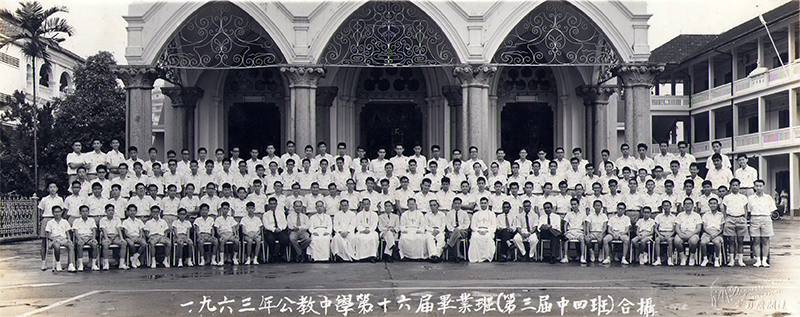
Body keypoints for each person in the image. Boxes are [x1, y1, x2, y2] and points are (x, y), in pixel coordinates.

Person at [749, 180, 777, 267]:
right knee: (756, 240)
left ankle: (764, 260)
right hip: (755, 218)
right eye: (756, 186)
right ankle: (757, 260)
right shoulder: (751, 198)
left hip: (765, 218)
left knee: (765, 240)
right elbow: (749, 210)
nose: (758, 188)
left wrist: (766, 218)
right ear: (754, 187)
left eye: (760, 186)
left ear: (763, 187)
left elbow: (772, 210)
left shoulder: (768, 197)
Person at [721, 179, 748, 267]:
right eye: (733, 185)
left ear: (739, 186)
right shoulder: (727, 197)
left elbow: (745, 209)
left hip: (740, 219)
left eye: (736, 185)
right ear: (730, 186)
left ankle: (740, 260)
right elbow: (724, 209)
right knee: (731, 241)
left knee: (740, 240)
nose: (735, 187)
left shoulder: (743, 197)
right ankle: (731, 260)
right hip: (730, 219)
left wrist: (744, 218)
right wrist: (726, 219)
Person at [38, 182, 64, 270]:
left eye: (54, 187)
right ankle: (44, 262)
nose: (52, 189)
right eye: (50, 187)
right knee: (44, 242)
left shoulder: (59, 199)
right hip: (46, 219)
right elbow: (40, 211)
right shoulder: (44, 199)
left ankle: (57, 262)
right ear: (48, 189)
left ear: (57, 189)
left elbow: (62, 210)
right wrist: (42, 220)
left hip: (56, 219)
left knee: (57, 240)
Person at [46, 206, 76, 272]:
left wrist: (69, 240)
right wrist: (54, 240)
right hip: (55, 239)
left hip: (63, 239)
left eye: (58, 212)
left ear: (61, 212)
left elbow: (67, 232)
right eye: (55, 212)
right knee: (57, 246)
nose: (57, 214)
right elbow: (48, 235)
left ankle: (71, 264)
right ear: (52, 213)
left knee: (71, 246)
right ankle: (58, 263)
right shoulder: (50, 222)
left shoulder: (65, 222)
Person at [674, 198, 702, 266]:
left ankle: (691, 257)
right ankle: (683, 257)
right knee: (676, 241)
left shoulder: (697, 215)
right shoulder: (680, 215)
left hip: (693, 233)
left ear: (692, 205)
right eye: (686, 204)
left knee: (693, 241)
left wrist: (691, 234)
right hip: (682, 233)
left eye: (689, 204)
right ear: (683, 205)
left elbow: (698, 228)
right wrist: (680, 234)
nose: (688, 205)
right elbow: (677, 227)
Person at [469, 197, 497, 263]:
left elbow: (494, 226)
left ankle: (486, 257)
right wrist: (479, 230)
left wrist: (486, 231)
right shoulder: (475, 214)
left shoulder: (492, 214)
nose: (483, 205)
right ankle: (475, 257)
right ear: (480, 204)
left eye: (485, 203)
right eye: (482, 203)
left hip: (488, 231)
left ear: (487, 204)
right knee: (474, 238)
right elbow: (472, 226)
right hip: (478, 231)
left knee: (487, 238)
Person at [72, 205, 99, 271]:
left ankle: (93, 264)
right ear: (80, 212)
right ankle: (80, 264)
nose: (85, 213)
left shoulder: (91, 220)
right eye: (83, 211)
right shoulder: (76, 221)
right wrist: (79, 239)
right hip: (80, 237)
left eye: (86, 211)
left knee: (94, 244)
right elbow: (75, 231)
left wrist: (93, 238)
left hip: (89, 237)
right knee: (80, 245)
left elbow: (94, 230)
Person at [262, 197, 289, 262]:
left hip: (280, 230)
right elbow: (266, 225)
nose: (273, 205)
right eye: (271, 204)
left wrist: (280, 228)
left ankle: (281, 253)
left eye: (274, 204)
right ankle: (272, 254)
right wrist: (274, 229)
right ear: (268, 205)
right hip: (271, 231)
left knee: (285, 239)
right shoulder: (266, 214)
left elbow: (284, 222)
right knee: (270, 239)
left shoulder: (281, 213)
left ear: (276, 204)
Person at [700, 198, 725, 267]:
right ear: (708, 205)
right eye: (711, 204)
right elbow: (704, 227)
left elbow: (722, 228)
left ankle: (716, 259)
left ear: (717, 205)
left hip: (717, 233)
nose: (713, 205)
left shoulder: (721, 215)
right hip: (707, 232)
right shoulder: (706, 214)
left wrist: (716, 234)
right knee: (703, 242)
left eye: (714, 203)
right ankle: (705, 259)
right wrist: (710, 233)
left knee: (717, 242)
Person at [354, 198, 380, 262]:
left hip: (371, 231)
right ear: (362, 205)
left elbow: (374, 224)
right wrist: (363, 230)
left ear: (370, 204)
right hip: (362, 231)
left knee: (373, 238)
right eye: (365, 204)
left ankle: (372, 256)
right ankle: (361, 256)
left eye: (367, 204)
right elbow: (358, 224)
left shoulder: (374, 214)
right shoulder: (359, 214)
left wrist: (369, 230)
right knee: (359, 238)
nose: (366, 206)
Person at [653, 200, 677, 266]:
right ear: (662, 207)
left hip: (670, 233)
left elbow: (675, 229)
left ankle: (669, 259)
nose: (666, 207)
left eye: (667, 206)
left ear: (670, 207)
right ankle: (658, 259)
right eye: (664, 206)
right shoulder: (659, 216)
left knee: (670, 240)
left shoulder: (674, 217)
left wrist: (670, 235)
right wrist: (659, 235)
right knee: (657, 240)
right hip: (661, 233)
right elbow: (655, 228)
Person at [445, 197, 470, 262]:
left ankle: (449, 244)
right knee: (457, 236)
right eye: (455, 203)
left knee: (457, 232)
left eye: (459, 203)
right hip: (452, 231)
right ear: (453, 204)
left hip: (463, 231)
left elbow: (466, 224)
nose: (457, 205)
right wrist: (454, 230)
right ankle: (458, 256)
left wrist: (458, 229)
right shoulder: (449, 214)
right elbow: (448, 225)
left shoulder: (464, 213)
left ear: (461, 204)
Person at [562, 198, 586, 263]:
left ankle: (582, 256)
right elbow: (565, 224)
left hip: (579, 231)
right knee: (566, 239)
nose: (573, 206)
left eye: (575, 204)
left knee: (582, 239)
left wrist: (585, 232)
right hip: (570, 231)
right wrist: (565, 232)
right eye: (572, 204)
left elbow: (584, 224)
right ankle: (565, 256)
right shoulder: (568, 214)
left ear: (578, 205)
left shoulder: (583, 214)